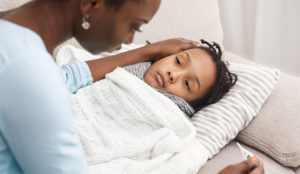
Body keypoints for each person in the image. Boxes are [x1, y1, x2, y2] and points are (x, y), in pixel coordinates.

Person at [0, 0, 264, 174]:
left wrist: (148, 52)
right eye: (133, 26)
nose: (130, 40)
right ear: (92, 4)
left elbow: (62, 79)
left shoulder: (14, 40)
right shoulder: (32, 78)